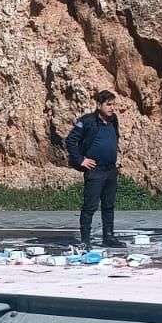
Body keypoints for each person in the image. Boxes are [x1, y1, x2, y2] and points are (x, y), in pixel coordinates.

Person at [65, 91, 122, 248]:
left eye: (113, 104)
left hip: (110, 169)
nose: (112, 108)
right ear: (99, 105)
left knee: (108, 205)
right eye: (108, 104)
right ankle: (85, 240)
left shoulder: (113, 120)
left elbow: (113, 139)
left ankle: (108, 237)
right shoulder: (88, 121)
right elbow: (70, 141)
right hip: (95, 170)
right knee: (90, 206)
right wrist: (80, 159)